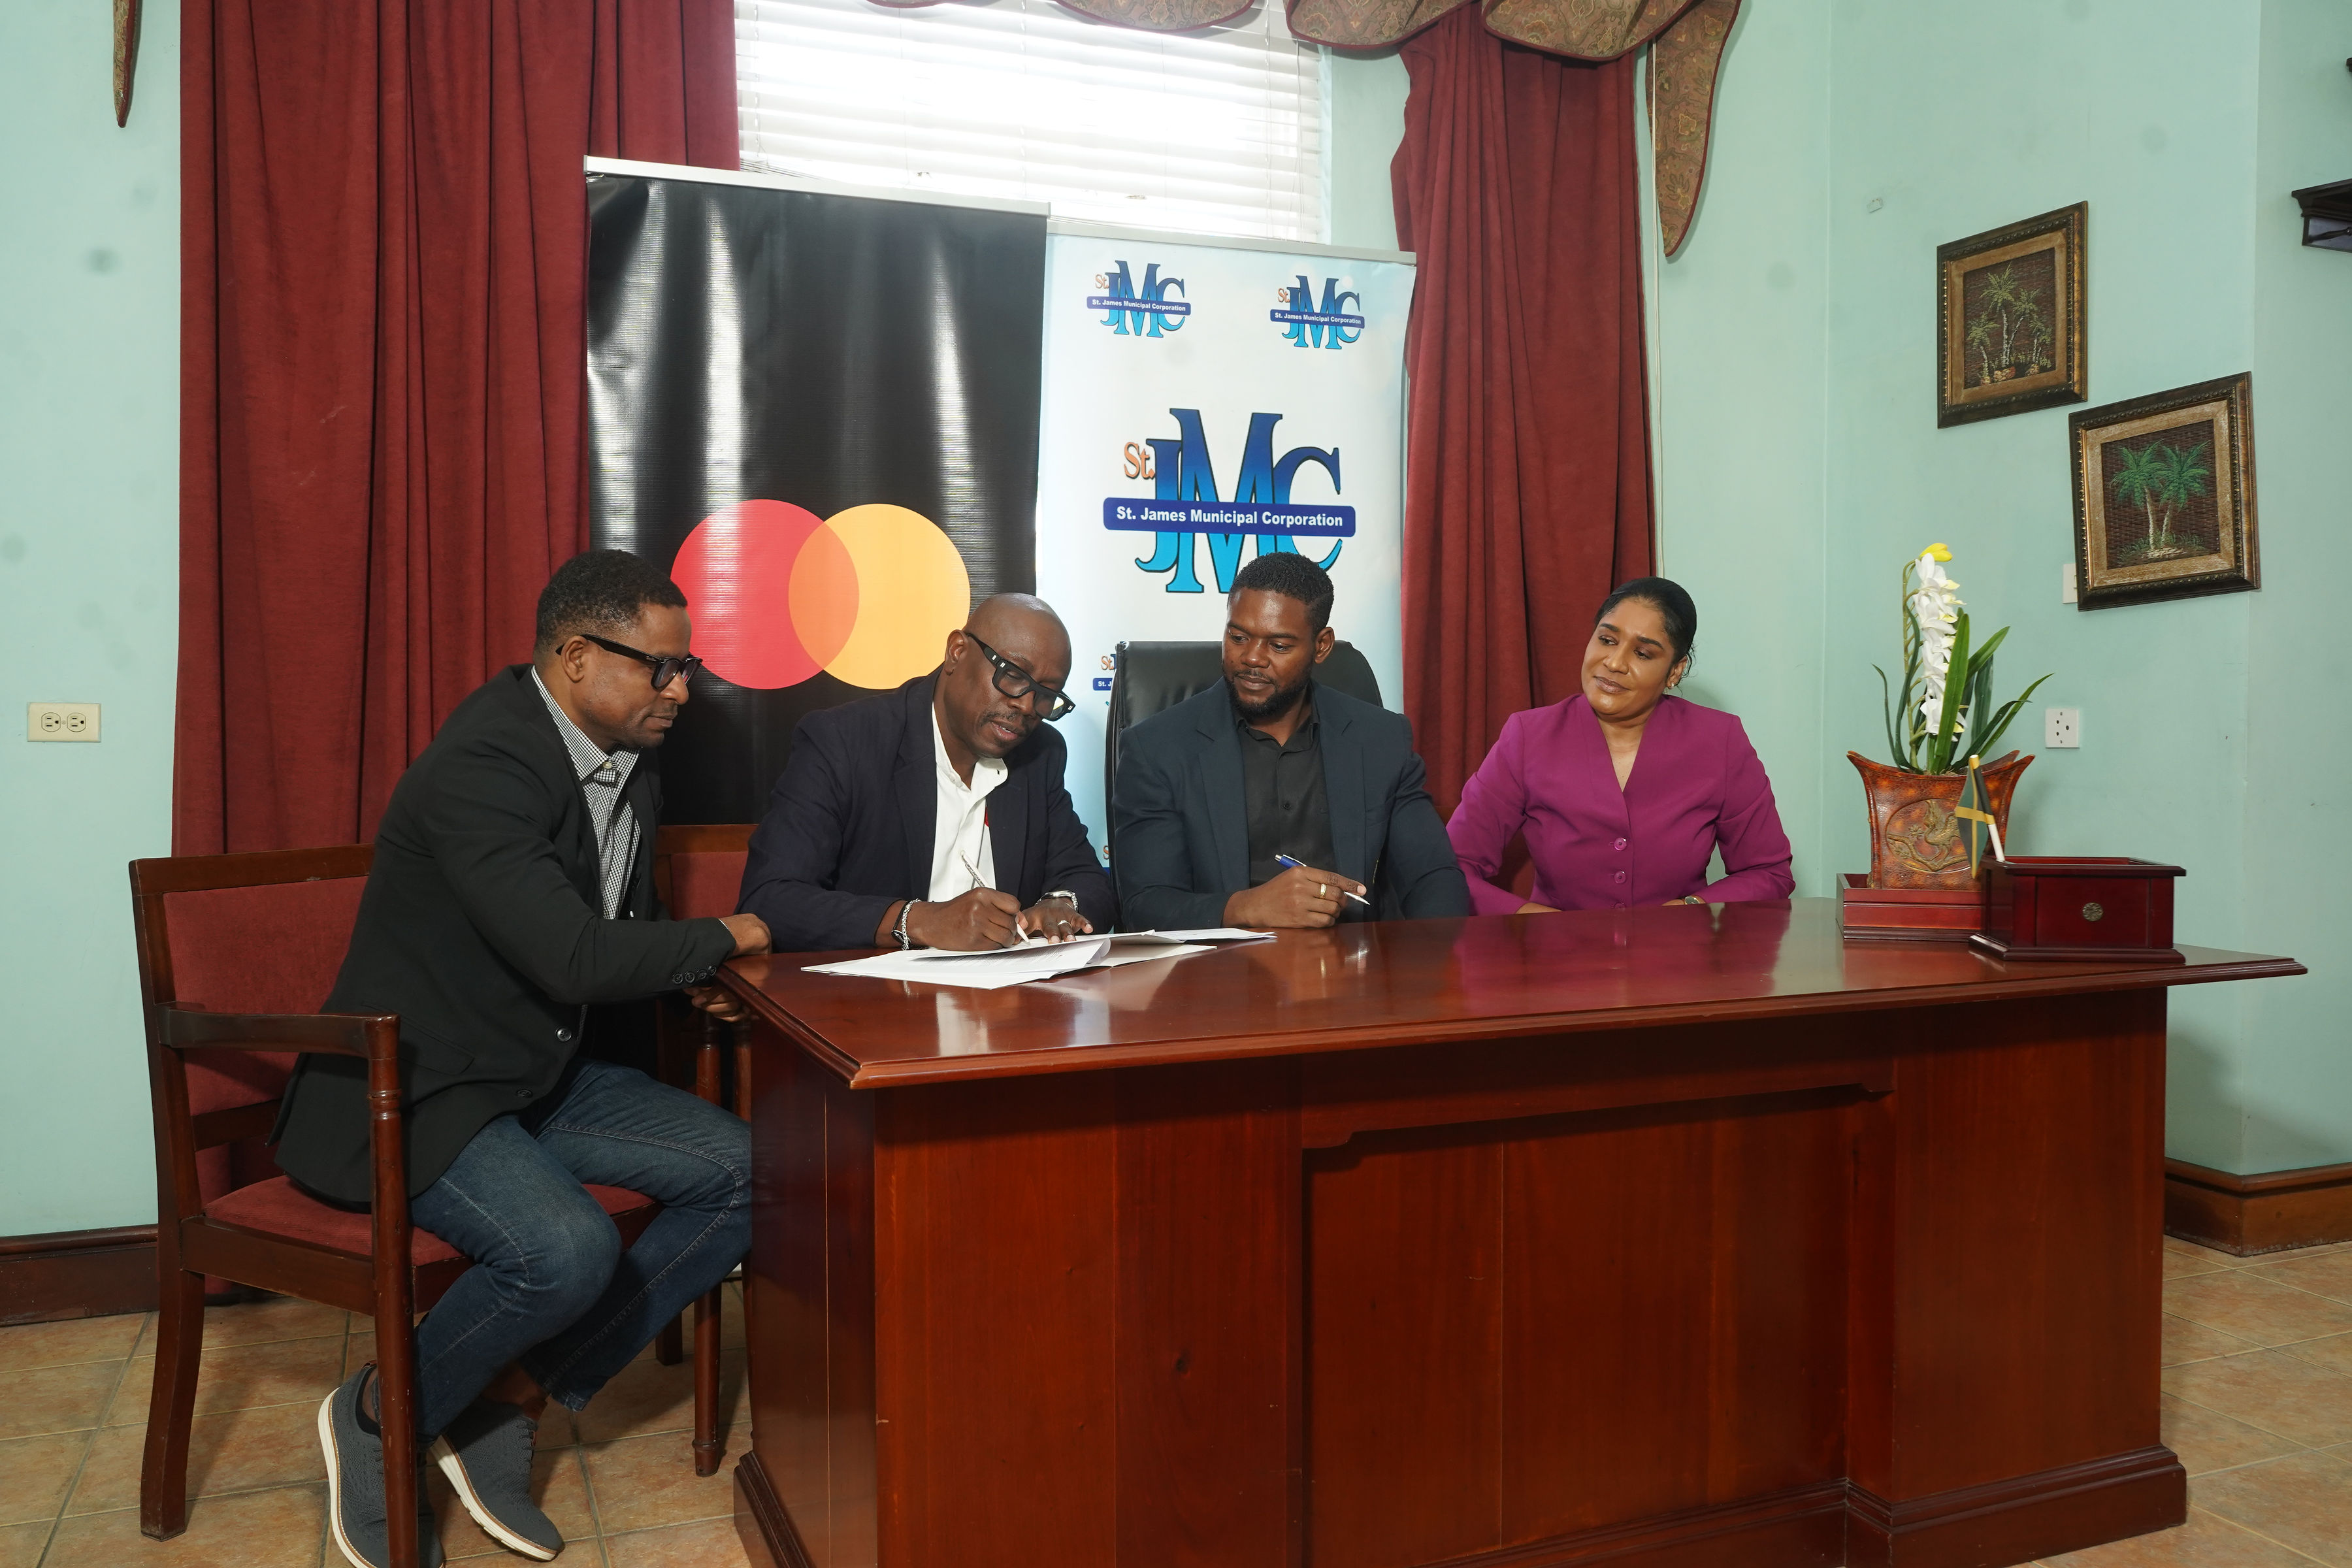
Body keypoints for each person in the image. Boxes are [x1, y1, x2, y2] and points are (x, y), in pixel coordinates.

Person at [274, 550, 772, 1568]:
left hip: (537, 1070)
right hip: (418, 1082)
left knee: (751, 1171)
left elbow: (610, 930)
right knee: (566, 1249)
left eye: (688, 670)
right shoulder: (483, 765)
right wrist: (737, 933)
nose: (681, 690)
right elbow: (573, 953)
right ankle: (380, 1418)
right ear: (576, 655)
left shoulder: (627, 754)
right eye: (660, 668)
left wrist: (686, 975)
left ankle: (504, 1400)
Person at [737, 593, 1116, 951]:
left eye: (1048, 693)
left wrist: (1060, 905)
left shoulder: (1041, 754)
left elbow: (1088, 881)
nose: (1029, 706)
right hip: (875, 1004)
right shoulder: (845, 741)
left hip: (1006, 1005)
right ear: (957, 652)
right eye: (1014, 675)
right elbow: (771, 898)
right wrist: (917, 921)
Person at [1112, 552, 1469, 929]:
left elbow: (1433, 878)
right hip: (1218, 973)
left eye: (1279, 646)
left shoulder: (1381, 740)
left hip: (1357, 971)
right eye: (1237, 637)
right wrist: (1244, 907)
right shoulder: (1156, 749)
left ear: (1322, 646)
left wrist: (1430, 971)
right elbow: (1145, 905)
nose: (1251, 658)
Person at [1446, 576, 1794, 913]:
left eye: (1642, 653)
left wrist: (1691, 910)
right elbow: (1451, 866)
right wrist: (1533, 923)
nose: (1614, 663)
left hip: (1678, 960)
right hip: (1555, 962)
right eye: (1607, 640)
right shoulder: (1528, 736)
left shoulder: (1721, 741)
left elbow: (1768, 872)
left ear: (1675, 671)